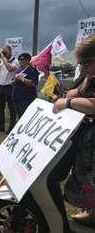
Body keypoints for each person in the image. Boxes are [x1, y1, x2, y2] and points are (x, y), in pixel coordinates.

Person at [51, 34, 95, 230]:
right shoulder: (89, 76)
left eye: (87, 62)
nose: (84, 67)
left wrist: (69, 102)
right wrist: (82, 87)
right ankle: (92, 214)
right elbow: (72, 92)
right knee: (87, 176)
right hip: (88, 140)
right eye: (82, 63)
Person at [0, 46, 19, 133]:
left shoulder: (15, 61)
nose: (4, 54)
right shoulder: (3, 61)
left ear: (10, 51)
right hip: (1, 87)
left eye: (5, 52)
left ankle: (11, 128)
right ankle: (1, 127)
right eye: (3, 52)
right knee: (0, 108)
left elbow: (10, 69)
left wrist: (4, 59)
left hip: (10, 87)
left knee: (12, 109)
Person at [12, 53, 39, 118]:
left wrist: (22, 79)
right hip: (17, 97)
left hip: (26, 98)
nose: (21, 61)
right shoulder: (19, 70)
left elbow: (33, 83)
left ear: (28, 60)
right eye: (20, 60)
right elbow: (12, 81)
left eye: (23, 60)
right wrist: (14, 80)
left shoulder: (32, 70)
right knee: (19, 116)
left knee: (26, 117)